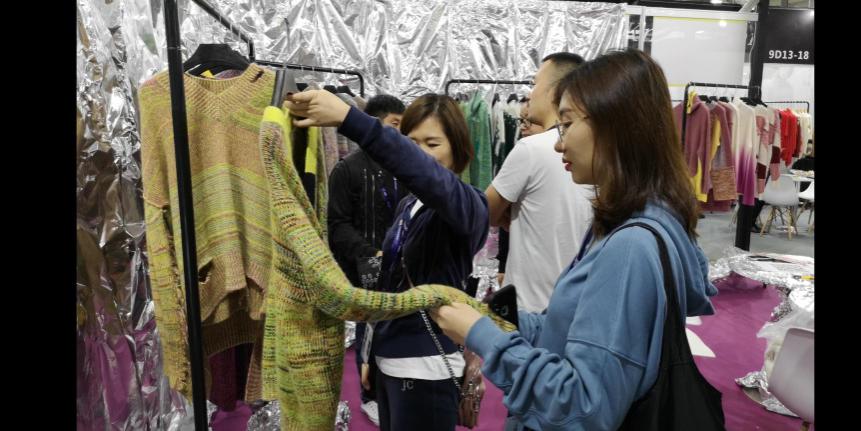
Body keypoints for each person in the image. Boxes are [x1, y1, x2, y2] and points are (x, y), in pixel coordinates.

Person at [430, 49, 719, 430]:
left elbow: (583, 405)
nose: (557, 143)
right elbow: (567, 332)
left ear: (615, 126)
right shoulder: (634, 222)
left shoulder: (630, 247)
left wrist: (479, 333)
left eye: (566, 124)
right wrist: (499, 318)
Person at [287, 91, 487, 431]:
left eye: (432, 144)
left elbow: (427, 175)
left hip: (427, 368)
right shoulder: (408, 205)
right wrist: (370, 354)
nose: (421, 153)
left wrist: (351, 119)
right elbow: (387, 287)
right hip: (391, 362)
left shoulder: (468, 206)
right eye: (412, 143)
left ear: (458, 148)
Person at [485, 52, 595, 312]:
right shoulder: (595, 152)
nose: (529, 94)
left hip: (527, 309)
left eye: (534, 84)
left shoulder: (531, 149)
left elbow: (483, 212)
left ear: (555, 91)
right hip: (575, 306)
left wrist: (507, 212)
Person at [327, 94, 408, 426]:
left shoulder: (405, 166)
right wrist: (370, 254)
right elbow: (337, 225)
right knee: (369, 333)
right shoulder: (347, 169)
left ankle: (394, 391)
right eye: (395, 125)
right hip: (366, 269)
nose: (400, 133)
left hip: (403, 266)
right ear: (373, 124)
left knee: (399, 330)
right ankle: (370, 396)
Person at [497, 99, 548, 286]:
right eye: (521, 121)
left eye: (530, 121)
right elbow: (501, 216)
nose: (524, 127)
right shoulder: (521, 153)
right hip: (524, 272)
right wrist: (503, 265)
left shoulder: (531, 151)